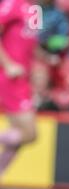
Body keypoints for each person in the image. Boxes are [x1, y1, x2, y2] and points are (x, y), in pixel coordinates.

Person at [0, 0, 37, 178]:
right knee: (29, 134)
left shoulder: (34, 9)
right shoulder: (12, 3)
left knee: (17, 140)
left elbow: (28, 44)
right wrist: (8, 64)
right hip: (10, 78)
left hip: (23, 79)